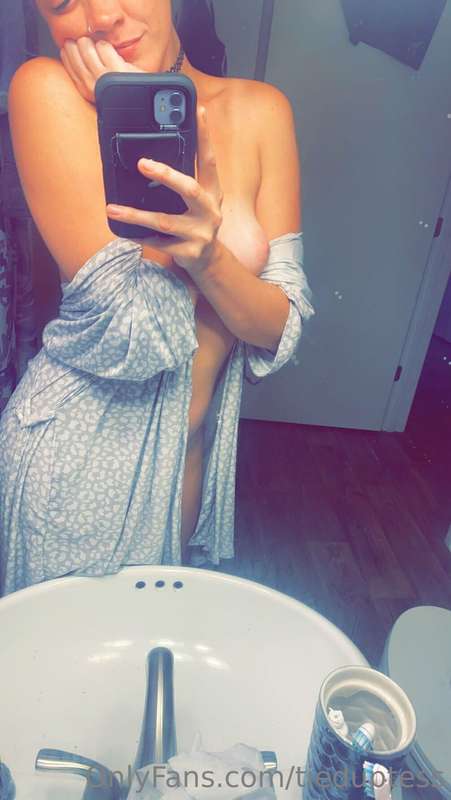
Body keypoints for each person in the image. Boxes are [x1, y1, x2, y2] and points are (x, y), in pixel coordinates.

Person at [0, 0, 314, 596]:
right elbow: (135, 334)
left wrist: (207, 254)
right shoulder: (45, 91)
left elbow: (279, 329)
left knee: (156, 647)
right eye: (63, 2)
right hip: (76, 470)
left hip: (185, 473)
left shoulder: (261, 110)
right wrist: (132, 112)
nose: (100, 17)